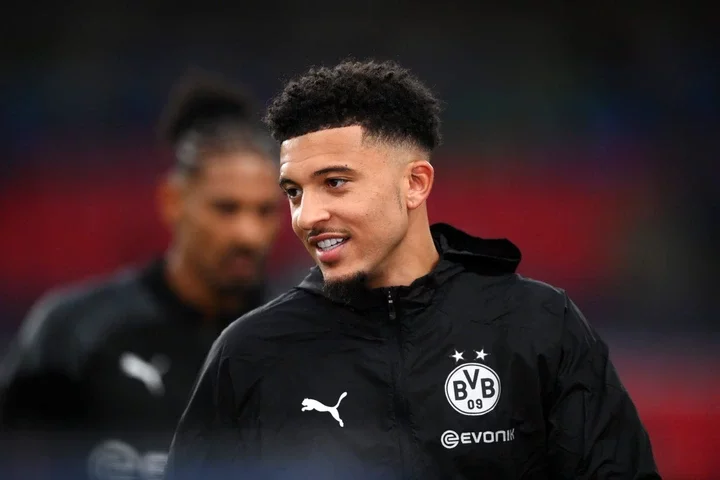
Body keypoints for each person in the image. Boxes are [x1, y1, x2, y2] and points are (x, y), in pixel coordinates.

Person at [165, 60, 660, 480]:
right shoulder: (249, 352)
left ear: (416, 184)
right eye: (294, 191)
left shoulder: (539, 326)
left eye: (334, 183)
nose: (306, 216)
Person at [0, 70, 283, 479]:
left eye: (265, 211)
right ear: (173, 201)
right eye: (226, 209)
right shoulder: (76, 331)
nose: (248, 234)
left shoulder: (302, 339)